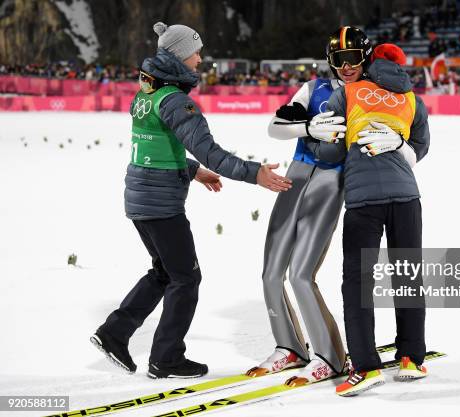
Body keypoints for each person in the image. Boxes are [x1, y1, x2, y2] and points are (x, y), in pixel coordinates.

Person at [90, 22, 292, 379]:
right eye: (196, 51)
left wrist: (192, 170)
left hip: (140, 196)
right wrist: (255, 173)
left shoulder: (147, 92)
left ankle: (114, 334)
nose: (200, 58)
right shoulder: (176, 101)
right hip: (160, 204)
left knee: (165, 272)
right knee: (186, 278)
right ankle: (165, 358)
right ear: (180, 55)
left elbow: (157, 145)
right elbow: (212, 152)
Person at [310, 41, 430, 396]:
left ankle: (365, 366)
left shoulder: (348, 93)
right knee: (408, 276)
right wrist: (399, 145)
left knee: (358, 285)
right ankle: (412, 357)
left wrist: (315, 135)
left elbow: (330, 150)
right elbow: (420, 145)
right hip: (407, 197)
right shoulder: (410, 97)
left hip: (364, 200)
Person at [244, 29, 352, 387]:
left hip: (331, 180)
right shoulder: (313, 89)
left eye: (354, 59)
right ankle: (289, 347)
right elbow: (275, 128)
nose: (347, 66)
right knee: (271, 271)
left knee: (301, 274)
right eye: (340, 59)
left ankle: (330, 356)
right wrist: (308, 126)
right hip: (297, 174)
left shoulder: (367, 94)